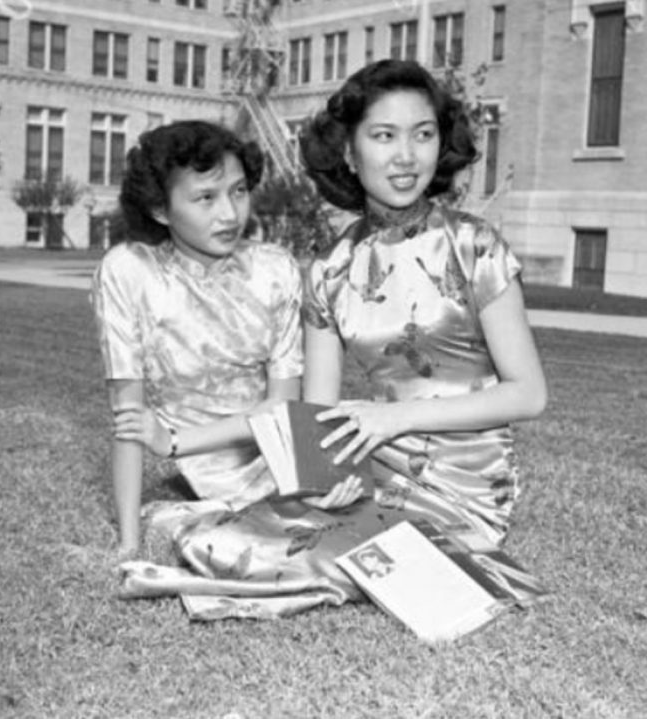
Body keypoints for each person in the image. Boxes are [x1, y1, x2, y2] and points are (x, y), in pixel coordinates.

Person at [91, 120, 364, 620]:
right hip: (205, 487)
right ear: (159, 208)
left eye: (238, 191)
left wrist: (316, 478)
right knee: (214, 547)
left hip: (278, 459)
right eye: (206, 198)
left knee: (364, 516)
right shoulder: (128, 271)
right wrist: (128, 543)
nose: (230, 213)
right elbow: (129, 421)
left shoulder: (274, 269)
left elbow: (283, 407)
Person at [299, 59, 548, 551]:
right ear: (349, 152)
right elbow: (319, 416)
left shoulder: (475, 246)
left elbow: (529, 395)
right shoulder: (328, 270)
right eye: (384, 136)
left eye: (423, 134)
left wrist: (395, 418)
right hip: (372, 470)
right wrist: (326, 483)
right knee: (249, 542)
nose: (406, 156)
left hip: (466, 489)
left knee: (339, 561)